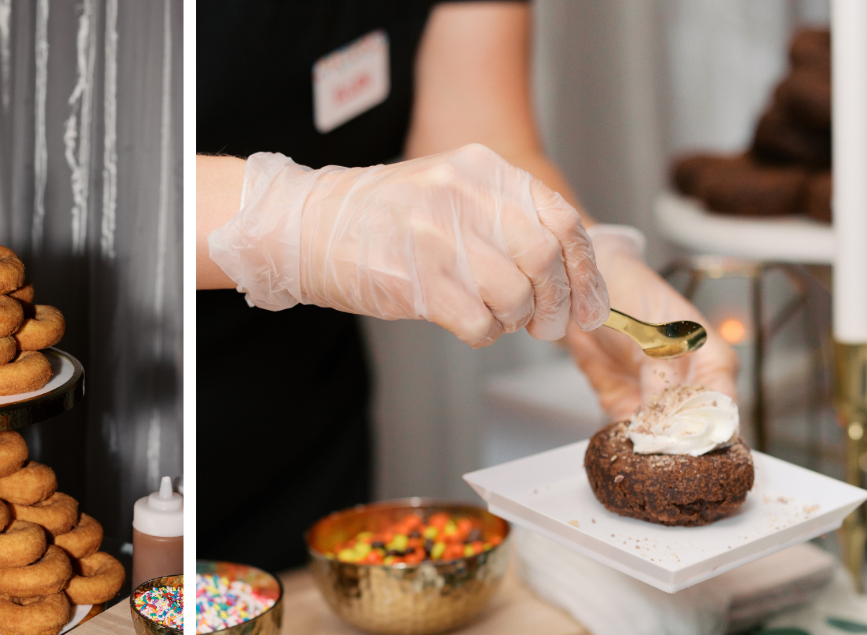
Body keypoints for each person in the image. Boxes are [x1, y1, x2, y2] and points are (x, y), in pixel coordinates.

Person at [198, 1, 737, 570]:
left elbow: (481, 135)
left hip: (302, 429)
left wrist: (598, 269)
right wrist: (296, 222)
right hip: (128, 392)